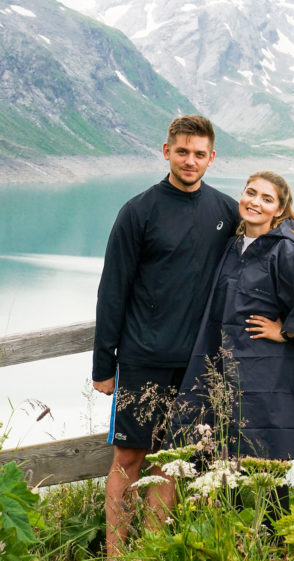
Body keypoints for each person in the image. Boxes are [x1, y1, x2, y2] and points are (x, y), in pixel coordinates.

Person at [91, 114, 239, 557]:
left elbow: (275, 246)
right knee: (130, 459)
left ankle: (153, 550)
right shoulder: (138, 211)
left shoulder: (227, 211)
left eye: (199, 154)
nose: (190, 161)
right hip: (143, 358)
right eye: (182, 152)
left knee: (172, 463)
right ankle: (116, 552)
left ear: (212, 157)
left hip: (197, 365)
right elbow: (112, 289)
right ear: (166, 152)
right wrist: (103, 366)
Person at [174, 170, 294, 491]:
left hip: (263, 369)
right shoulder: (233, 246)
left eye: (267, 199)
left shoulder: (283, 250)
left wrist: (286, 332)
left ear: (279, 210)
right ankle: (238, 536)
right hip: (225, 366)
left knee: (264, 461)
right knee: (227, 459)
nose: (255, 202)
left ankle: (274, 539)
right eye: (251, 193)